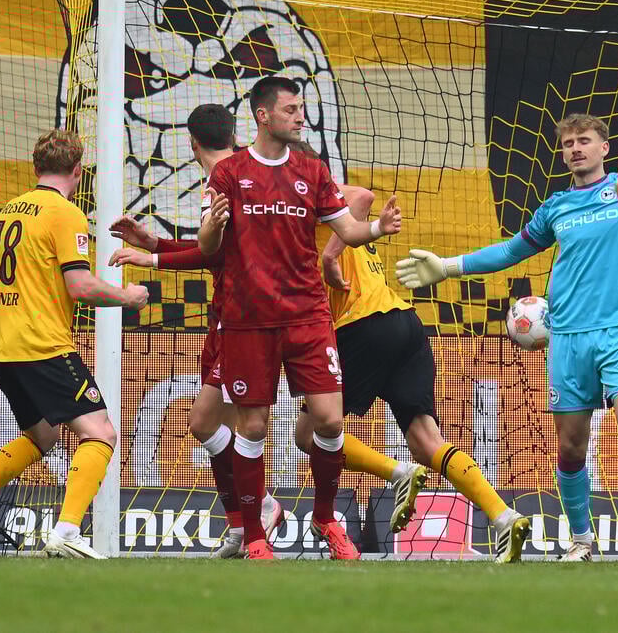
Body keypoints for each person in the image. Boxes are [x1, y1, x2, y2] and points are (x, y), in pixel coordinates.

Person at [396, 114, 618, 562]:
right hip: (567, 340)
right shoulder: (556, 207)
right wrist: (447, 266)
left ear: (604, 148)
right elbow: (510, 251)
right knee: (570, 447)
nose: (576, 149)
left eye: (585, 141)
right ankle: (581, 541)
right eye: (568, 144)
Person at [288, 141, 530, 562]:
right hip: (405, 326)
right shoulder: (327, 217)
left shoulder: (312, 200)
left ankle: (397, 474)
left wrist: (329, 256)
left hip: (362, 328)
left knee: (307, 435)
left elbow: (362, 195)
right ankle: (502, 515)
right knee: (426, 441)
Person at [198, 76, 402, 560]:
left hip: (308, 316)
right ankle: (252, 535)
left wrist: (377, 227)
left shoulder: (312, 171)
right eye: (290, 109)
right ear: (262, 115)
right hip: (250, 320)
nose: (299, 115)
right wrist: (211, 227)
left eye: (301, 108)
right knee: (252, 428)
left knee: (329, 421)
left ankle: (326, 519)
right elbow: (209, 251)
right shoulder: (229, 173)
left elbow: (348, 230)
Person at [0, 129, 150, 559]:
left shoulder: (9, 212)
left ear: (35, 167)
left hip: (1, 348)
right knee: (101, 432)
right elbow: (79, 286)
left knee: (43, 436)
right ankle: (67, 530)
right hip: (42, 346)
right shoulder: (65, 213)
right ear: (78, 171)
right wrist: (128, 297)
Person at [108, 104, 284, 558]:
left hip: (242, 318)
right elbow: (219, 250)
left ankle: (257, 511)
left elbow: (212, 256)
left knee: (212, 422)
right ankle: (244, 522)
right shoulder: (245, 170)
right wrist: (154, 242)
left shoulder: (221, 179)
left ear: (190, 142)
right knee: (214, 424)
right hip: (231, 314)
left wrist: (152, 258)